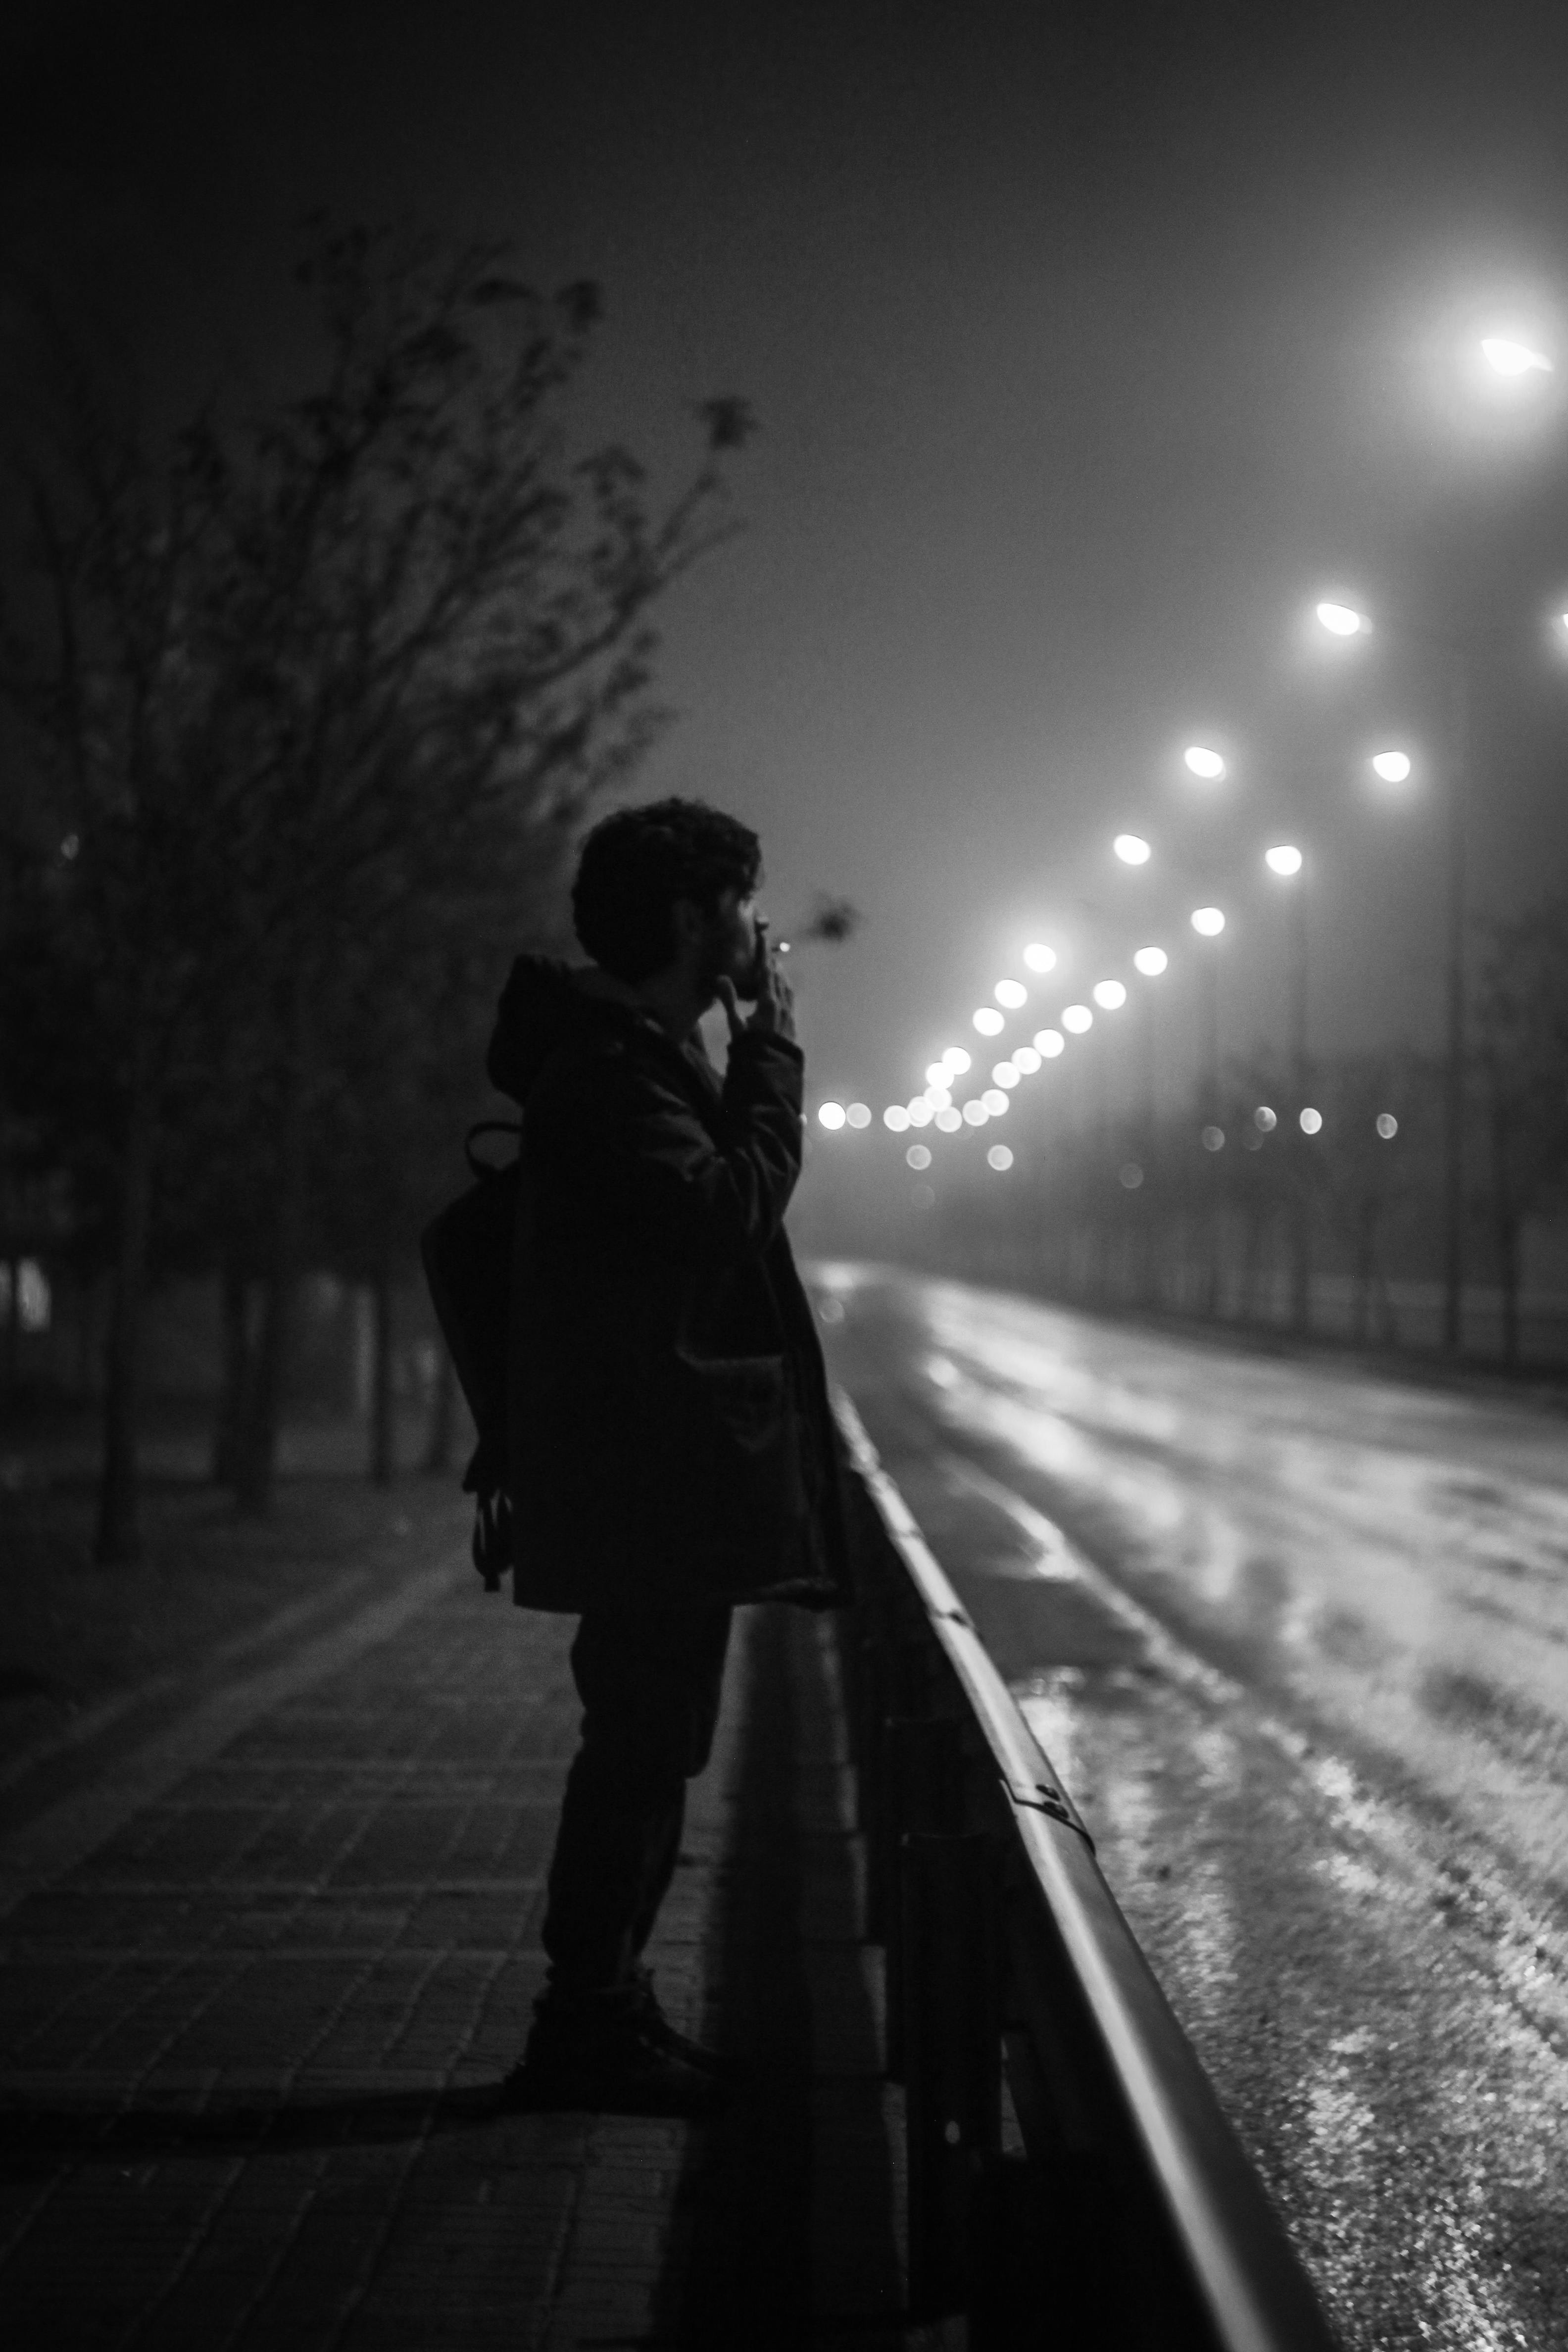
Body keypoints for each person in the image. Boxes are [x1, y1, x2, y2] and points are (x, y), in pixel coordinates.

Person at [485, 797, 851, 2115]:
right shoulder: (611, 1068)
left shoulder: (632, 1052)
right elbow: (724, 1211)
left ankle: (606, 2006)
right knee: (638, 1745)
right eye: (743, 905)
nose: (759, 930)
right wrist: (777, 1048)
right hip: (638, 1465)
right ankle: (585, 2019)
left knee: (650, 1744)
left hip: (649, 1458)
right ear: (696, 919)